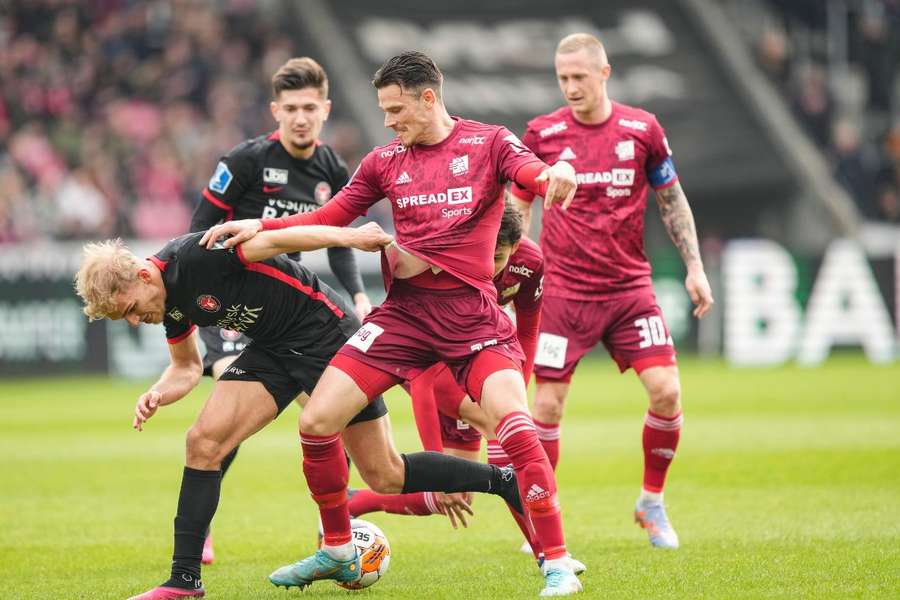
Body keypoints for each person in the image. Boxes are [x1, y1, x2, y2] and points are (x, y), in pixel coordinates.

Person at [201, 51, 584, 596]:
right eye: (384, 110)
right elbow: (328, 218)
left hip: (471, 316)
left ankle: (557, 561)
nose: (388, 121)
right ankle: (337, 547)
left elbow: (536, 174)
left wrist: (560, 171)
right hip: (403, 316)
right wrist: (255, 223)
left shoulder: (489, 143)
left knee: (515, 425)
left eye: (396, 108)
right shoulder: (385, 161)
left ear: (429, 98)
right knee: (317, 422)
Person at [74, 224, 525, 600]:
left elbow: (281, 239)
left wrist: (350, 237)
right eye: (124, 319)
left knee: (384, 474)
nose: (135, 321)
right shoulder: (165, 300)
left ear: (141, 276)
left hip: (327, 333)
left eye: (130, 310)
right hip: (274, 350)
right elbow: (187, 368)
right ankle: (184, 580)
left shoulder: (199, 255)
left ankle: (502, 481)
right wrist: (157, 392)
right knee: (203, 443)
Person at [510, 33, 715, 550]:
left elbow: (672, 199)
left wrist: (694, 267)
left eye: (580, 76)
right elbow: (517, 210)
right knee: (547, 408)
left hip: (628, 289)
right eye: (562, 78)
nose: (571, 86)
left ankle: (651, 501)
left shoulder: (642, 129)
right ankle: (542, 514)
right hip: (562, 292)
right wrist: (508, 270)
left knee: (667, 391)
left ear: (605, 73)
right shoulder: (543, 133)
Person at [188, 56, 372, 565]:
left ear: (325, 109)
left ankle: (331, 524)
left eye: (309, 107)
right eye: (290, 108)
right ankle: (200, 527)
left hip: (287, 311)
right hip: (230, 311)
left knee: (329, 414)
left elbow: (338, 242)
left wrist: (356, 292)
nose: (300, 117)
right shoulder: (244, 161)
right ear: (275, 109)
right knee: (229, 417)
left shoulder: (331, 167)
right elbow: (196, 229)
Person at [344, 202, 586, 575]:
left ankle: (353, 504)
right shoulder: (446, 261)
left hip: (476, 363)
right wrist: (435, 463)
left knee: (461, 489)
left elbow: (528, 329)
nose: (489, 267)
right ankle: (547, 554)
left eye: (500, 257)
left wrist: (512, 392)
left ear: (516, 246)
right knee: (502, 435)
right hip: (429, 364)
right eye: (485, 252)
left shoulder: (531, 263)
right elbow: (422, 378)